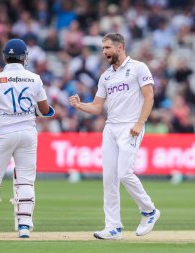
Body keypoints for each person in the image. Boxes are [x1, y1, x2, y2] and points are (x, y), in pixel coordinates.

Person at [69, 33, 160, 240]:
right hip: (110, 128)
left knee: (124, 174)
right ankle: (113, 227)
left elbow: (149, 96)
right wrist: (79, 105)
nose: (104, 52)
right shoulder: (106, 76)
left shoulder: (138, 68)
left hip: (131, 127)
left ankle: (149, 211)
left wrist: (139, 123)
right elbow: (97, 107)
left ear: (120, 47)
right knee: (109, 179)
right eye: (103, 49)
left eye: (108, 48)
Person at [0, 38, 53, 238]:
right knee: (25, 181)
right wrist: (49, 111)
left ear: (5, 57)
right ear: (24, 58)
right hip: (27, 134)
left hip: (4, 133)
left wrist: (0, 97)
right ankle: (24, 227)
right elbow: (44, 109)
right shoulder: (35, 78)